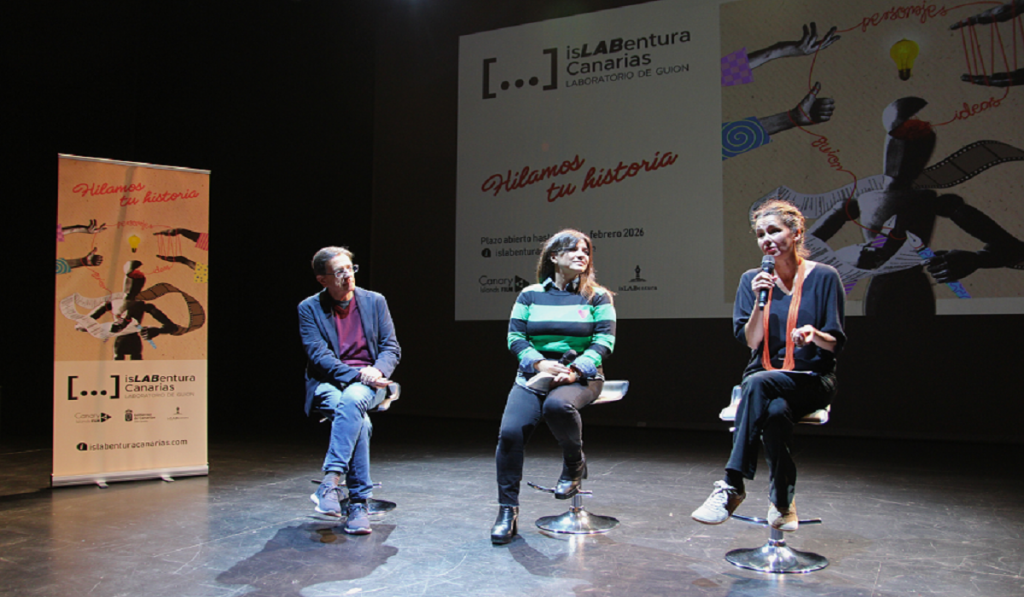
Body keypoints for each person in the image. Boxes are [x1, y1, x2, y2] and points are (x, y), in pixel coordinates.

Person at [692, 200, 845, 532]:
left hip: (811, 380)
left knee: (758, 383)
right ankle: (782, 501)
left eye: (774, 231)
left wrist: (813, 335)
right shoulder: (752, 280)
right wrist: (760, 303)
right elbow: (751, 341)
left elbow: (834, 342)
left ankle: (732, 483)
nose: (766, 239)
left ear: (797, 232)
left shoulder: (824, 277)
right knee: (774, 412)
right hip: (764, 378)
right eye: (761, 234)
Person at [491, 229, 616, 544]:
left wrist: (576, 370)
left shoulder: (598, 296)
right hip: (535, 375)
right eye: (573, 249)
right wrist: (539, 364)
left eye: (585, 251)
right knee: (510, 434)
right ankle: (507, 510)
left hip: (582, 376)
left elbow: (604, 342)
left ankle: (574, 464)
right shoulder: (529, 295)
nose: (581, 255)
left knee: (557, 405)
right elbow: (515, 337)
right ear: (554, 256)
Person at [299, 247, 400, 535]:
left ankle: (331, 481)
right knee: (359, 422)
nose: (348, 276)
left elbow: (391, 347)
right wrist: (357, 374)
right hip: (329, 382)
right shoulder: (309, 308)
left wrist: (376, 371)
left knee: (354, 398)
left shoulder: (375, 301)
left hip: (370, 382)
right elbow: (320, 357)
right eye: (339, 272)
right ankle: (358, 502)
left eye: (350, 269)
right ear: (322, 280)